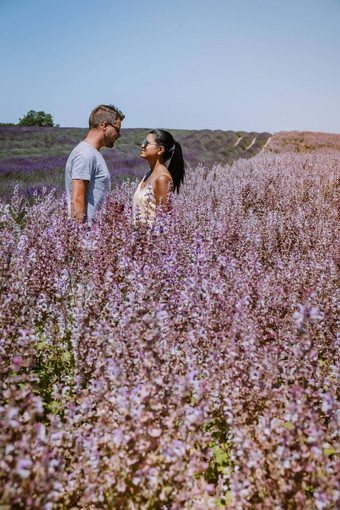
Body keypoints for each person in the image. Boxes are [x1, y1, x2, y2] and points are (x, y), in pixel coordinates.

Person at [65, 104, 125, 226]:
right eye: (117, 130)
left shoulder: (93, 153)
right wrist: (80, 238)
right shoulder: (85, 154)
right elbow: (77, 201)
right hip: (88, 237)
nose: (119, 135)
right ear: (105, 125)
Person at [133, 129, 185, 225]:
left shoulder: (162, 179)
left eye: (147, 143)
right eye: (143, 142)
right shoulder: (149, 173)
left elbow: (164, 219)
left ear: (160, 150)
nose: (142, 145)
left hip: (150, 238)